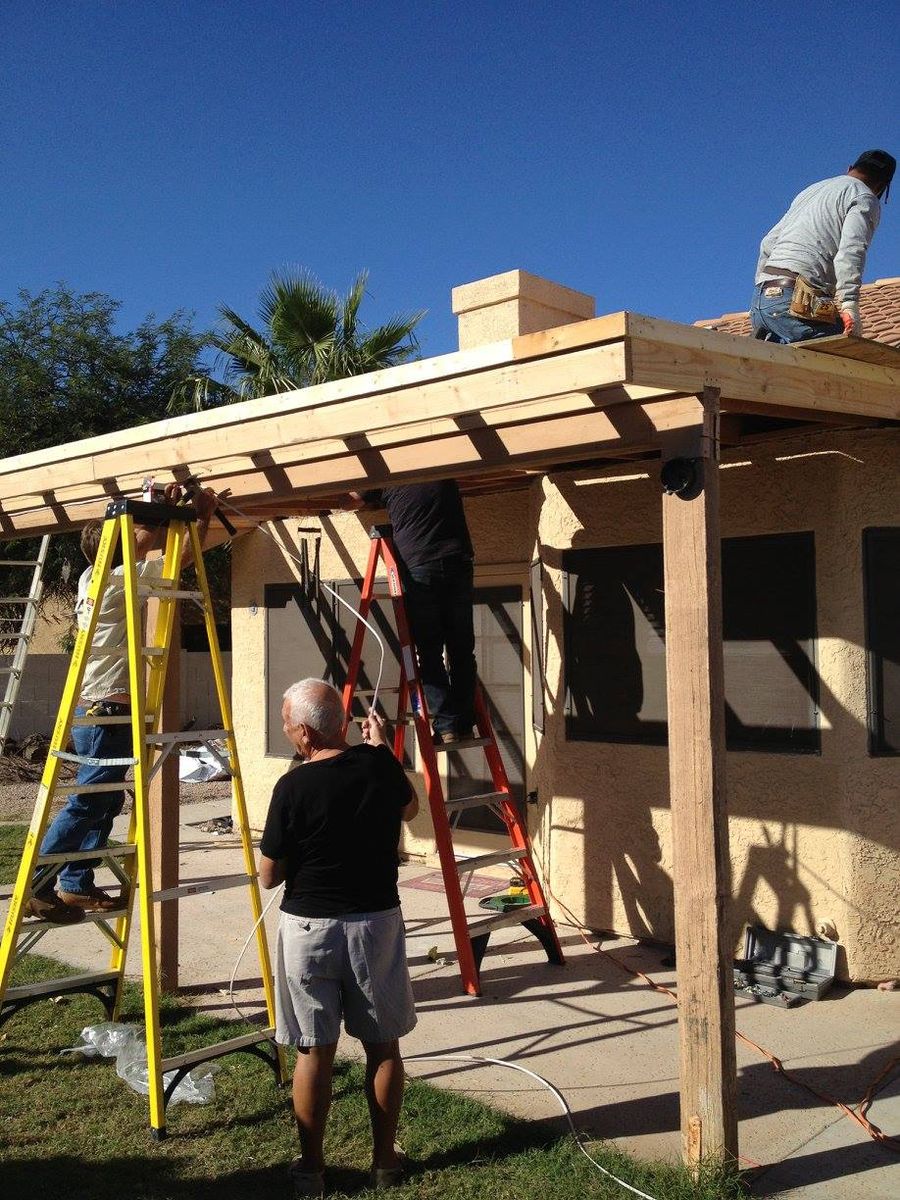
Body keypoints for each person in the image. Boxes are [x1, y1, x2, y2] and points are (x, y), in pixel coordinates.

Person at [27, 484, 216, 923]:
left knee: (105, 801)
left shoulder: (91, 577)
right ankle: (41, 882)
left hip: (97, 712)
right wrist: (197, 515)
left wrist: (161, 509)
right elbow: (179, 559)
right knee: (89, 802)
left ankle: (75, 885)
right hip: (107, 714)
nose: (141, 540)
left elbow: (143, 542)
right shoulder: (117, 582)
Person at [258, 678, 418, 1197]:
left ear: (304, 732)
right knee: (382, 1045)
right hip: (374, 922)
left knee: (314, 1051)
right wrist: (381, 750)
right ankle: (385, 1162)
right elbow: (410, 809)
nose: (285, 729)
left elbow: (268, 875)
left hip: (309, 928)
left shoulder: (293, 786)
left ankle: (311, 1171)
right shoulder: (379, 765)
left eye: (286, 722)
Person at [350, 481, 477, 744]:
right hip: (458, 560)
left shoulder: (387, 473)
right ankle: (463, 724)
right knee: (462, 650)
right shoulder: (441, 464)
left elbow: (353, 499)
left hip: (420, 566)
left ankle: (447, 726)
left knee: (429, 651)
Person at [750, 149, 895, 344]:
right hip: (796, 302)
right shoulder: (865, 197)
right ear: (882, 188)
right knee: (849, 361)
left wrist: (762, 292)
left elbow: (767, 243)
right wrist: (849, 304)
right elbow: (851, 250)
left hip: (763, 300)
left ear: (849, 168)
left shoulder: (811, 191)